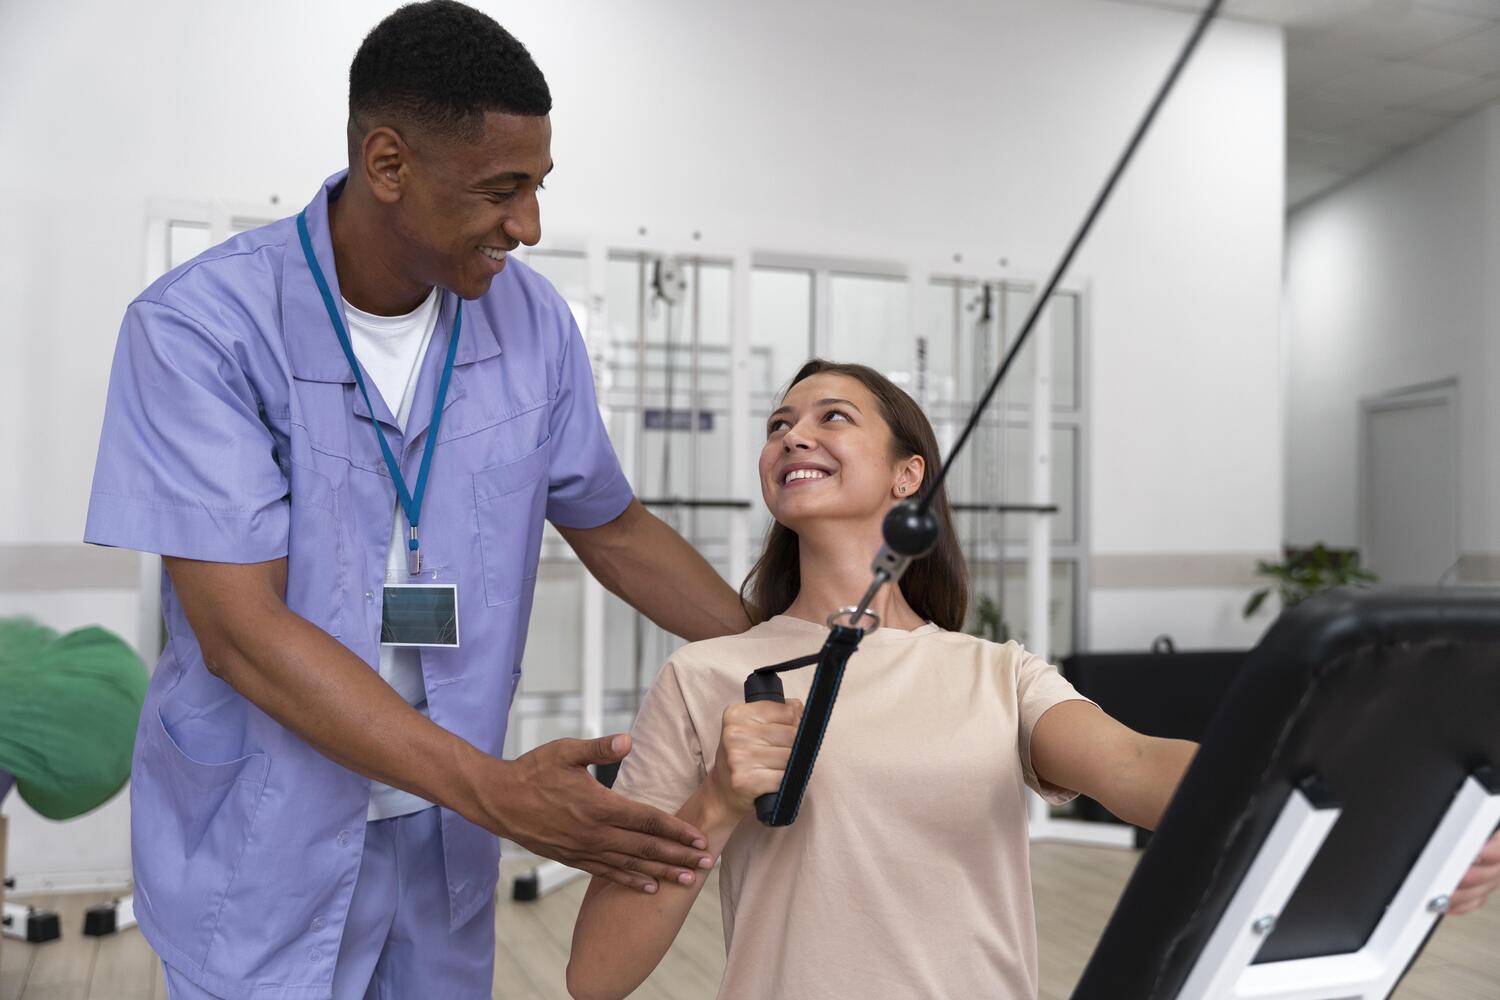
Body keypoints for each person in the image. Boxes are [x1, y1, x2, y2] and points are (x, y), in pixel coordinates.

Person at [83, 3, 744, 998]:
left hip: (442, 845)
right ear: (387, 164)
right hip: (265, 832)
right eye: (502, 190)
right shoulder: (201, 331)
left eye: (538, 187)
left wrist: (793, 651)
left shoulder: (532, 323)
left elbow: (610, 522)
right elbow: (242, 633)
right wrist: (503, 792)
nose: (528, 226)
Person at [567, 360, 1500, 1000]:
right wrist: (717, 803)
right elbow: (595, 975)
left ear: (909, 478)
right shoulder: (707, 676)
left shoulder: (993, 676)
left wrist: (1401, 821)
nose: (791, 434)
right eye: (778, 425)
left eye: (829, 416)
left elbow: (1142, 770)